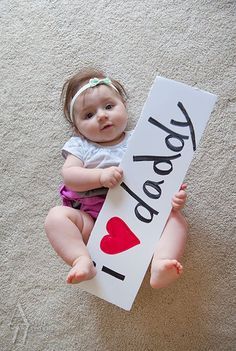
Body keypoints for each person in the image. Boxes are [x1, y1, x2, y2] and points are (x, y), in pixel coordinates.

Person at [44, 68, 188, 289]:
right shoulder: (81, 146)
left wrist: (174, 196)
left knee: (176, 221)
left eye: (109, 106)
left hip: (141, 214)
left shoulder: (140, 138)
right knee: (55, 217)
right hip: (94, 222)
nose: (101, 115)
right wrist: (100, 176)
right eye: (89, 115)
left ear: (125, 106)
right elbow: (70, 176)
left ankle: (160, 261)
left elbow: (160, 172)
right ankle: (81, 258)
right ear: (77, 128)